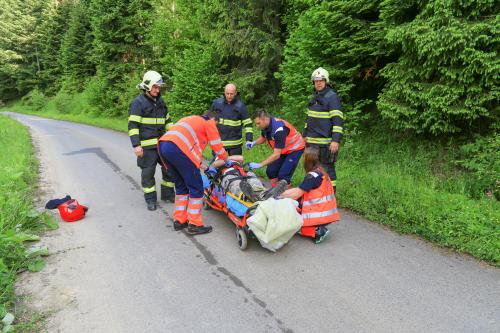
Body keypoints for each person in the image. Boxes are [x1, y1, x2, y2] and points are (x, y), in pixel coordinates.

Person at [158, 111, 232, 235]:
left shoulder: (190, 118)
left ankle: (179, 220)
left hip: (164, 147)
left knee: (181, 186)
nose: (216, 126)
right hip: (179, 149)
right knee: (196, 187)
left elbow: (190, 152)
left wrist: (205, 167)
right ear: (213, 119)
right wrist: (226, 159)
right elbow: (216, 146)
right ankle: (194, 224)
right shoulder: (209, 122)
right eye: (217, 124)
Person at [128, 70, 175, 211]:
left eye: (159, 87)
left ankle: (167, 195)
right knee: (148, 174)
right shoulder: (138, 103)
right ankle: (150, 200)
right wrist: (136, 145)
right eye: (155, 87)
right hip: (146, 147)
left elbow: (168, 121)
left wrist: (174, 135)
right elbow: (133, 126)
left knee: (170, 169)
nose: (157, 89)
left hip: (162, 145)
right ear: (147, 86)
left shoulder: (161, 102)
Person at [280, 145, 340, 244]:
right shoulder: (321, 171)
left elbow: (295, 195)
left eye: (304, 157)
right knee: (294, 202)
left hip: (319, 213)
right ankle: (316, 226)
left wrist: (279, 197)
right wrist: (283, 193)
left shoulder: (312, 176)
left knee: (292, 225)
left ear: (308, 159)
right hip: (326, 212)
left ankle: (317, 231)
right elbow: (300, 189)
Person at [303, 67, 344, 192]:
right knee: (312, 169)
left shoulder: (332, 97)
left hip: (326, 145)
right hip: (312, 143)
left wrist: (335, 140)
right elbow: (308, 119)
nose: (318, 83)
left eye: (321, 80)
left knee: (328, 170)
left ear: (326, 82)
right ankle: (317, 195)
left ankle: (331, 196)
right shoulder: (314, 98)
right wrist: (304, 136)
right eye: (316, 81)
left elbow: (338, 121)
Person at [247, 109, 305, 185]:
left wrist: (260, 164)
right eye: (256, 124)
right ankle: (275, 193)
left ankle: (285, 194)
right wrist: (253, 143)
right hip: (283, 150)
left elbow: (276, 155)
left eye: (258, 123)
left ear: (265, 119)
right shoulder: (266, 125)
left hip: (295, 149)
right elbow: (263, 137)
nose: (257, 126)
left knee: (283, 176)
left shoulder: (279, 130)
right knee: (271, 171)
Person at [206, 156, 287, 202]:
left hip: (243, 173)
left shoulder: (230, 158)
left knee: (252, 178)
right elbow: (215, 164)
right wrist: (225, 159)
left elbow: (241, 158)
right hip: (229, 176)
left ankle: (263, 194)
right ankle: (247, 196)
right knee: (237, 184)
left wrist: (227, 158)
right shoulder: (216, 160)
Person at [210, 83, 253, 155]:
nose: (229, 96)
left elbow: (248, 124)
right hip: (219, 143)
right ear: (224, 92)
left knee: (235, 165)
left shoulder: (240, 106)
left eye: (231, 94)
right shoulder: (217, 103)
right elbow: (209, 120)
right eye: (227, 93)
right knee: (218, 165)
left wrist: (249, 139)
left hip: (235, 145)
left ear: (235, 93)